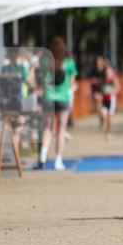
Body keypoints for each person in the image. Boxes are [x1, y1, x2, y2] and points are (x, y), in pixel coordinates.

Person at [35, 36, 77, 171]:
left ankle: (42, 158)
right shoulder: (69, 63)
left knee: (47, 128)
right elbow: (71, 82)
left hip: (48, 97)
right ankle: (58, 160)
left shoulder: (45, 61)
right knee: (61, 129)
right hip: (63, 97)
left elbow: (40, 77)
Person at [98, 64, 119, 141]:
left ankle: (108, 132)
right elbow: (99, 89)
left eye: (109, 71)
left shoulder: (114, 79)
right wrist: (99, 94)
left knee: (109, 118)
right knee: (103, 115)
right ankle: (103, 123)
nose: (108, 73)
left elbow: (118, 88)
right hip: (104, 100)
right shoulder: (102, 80)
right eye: (107, 71)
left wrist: (113, 91)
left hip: (111, 100)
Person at [88, 54, 108, 127]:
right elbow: (91, 79)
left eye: (100, 60)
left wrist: (98, 81)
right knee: (98, 106)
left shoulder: (105, 69)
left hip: (104, 90)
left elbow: (107, 79)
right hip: (96, 90)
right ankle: (102, 118)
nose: (98, 62)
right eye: (97, 60)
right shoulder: (94, 70)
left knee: (102, 106)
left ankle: (103, 118)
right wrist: (94, 81)